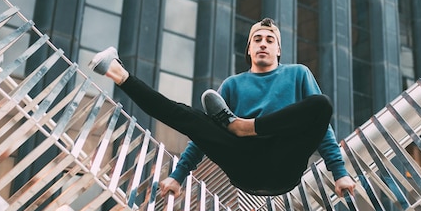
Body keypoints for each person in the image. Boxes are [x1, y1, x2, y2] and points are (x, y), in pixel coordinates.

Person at [90, 18, 356, 197]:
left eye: (269, 40)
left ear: (278, 51)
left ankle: (244, 126)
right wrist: (177, 176)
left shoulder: (298, 74)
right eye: (257, 40)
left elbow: (324, 130)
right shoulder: (232, 85)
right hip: (243, 164)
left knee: (320, 105)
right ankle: (118, 74)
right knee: (190, 117)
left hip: (284, 162)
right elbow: (202, 138)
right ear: (249, 50)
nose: (263, 43)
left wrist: (339, 173)